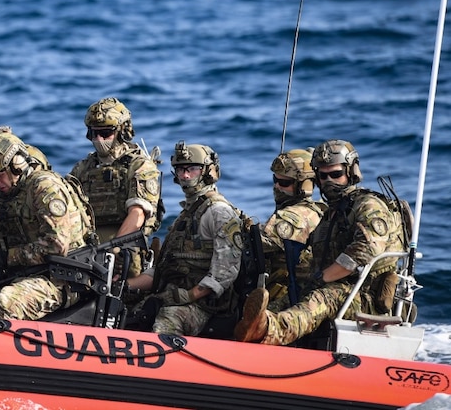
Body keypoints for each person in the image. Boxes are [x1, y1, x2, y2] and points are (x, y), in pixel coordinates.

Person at [235, 139, 407, 345]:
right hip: (341, 287)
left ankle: (270, 331)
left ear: (351, 172)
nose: (328, 181)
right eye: (322, 175)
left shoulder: (368, 205)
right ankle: (253, 329)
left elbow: (363, 252)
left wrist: (322, 278)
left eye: (335, 174)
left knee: (324, 298)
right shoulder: (333, 212)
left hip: (365, 295)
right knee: (288, 297)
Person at [127, 141, 243, 337]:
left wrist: (189, 295)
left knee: (166, 322)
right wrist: (127, 286)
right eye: (180, 170)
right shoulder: (188, 214)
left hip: (204, 304)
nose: (185, 176)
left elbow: (224, 272)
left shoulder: (218, 212)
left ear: (208, 171)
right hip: (174, 294)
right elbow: (165, 267)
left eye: (192, 169)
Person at [0, 130, 92, 321]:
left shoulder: (44, 186)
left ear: (16, 165)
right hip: (30, 274)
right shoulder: (12, 194)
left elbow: (56, 245)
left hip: (64, 278)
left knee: (4, 304)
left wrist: (7, 258)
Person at [70, 97, 162, 277]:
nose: (98, 139)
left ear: (121, 132)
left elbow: (137, 214)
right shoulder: (83, 168)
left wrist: (112, 251)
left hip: (125, 251)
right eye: (94, 133)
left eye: (105, 133)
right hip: (87, 250)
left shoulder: (139, 166)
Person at [261, 148, 326, 310]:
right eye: (275, 179)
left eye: (284, 183)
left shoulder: (292, 216)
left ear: (304, 185)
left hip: (288, 295)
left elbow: (257, 244)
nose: (277, 186)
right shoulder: (321, 209)